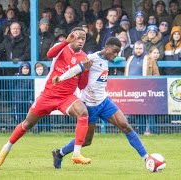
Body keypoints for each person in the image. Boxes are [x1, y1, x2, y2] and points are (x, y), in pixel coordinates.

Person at [0, 28, 92, 167]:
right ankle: (6, 148)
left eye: (84, 39)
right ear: (72, 37)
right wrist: (65, 41)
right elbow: (49, 53)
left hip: (67, 97)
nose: (81, 41)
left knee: (83, 112)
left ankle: (76, 154)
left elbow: (82, 85)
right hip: (48, 95)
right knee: (28, 124)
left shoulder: (84, 58)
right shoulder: (61, 48)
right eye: (78, 38)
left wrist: (86, 71)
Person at [51, 37, 149, 169]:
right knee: (86, 141)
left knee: (126, 126)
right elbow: (75, 69)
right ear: (107, 47)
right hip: (89, 106)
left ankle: (147, 158)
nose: (115, 55)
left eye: (117, 53)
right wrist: (60, 78)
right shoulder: (92, 58)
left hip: (104, 101)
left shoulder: (106, 59)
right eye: (114, 51)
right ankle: (59, 153)